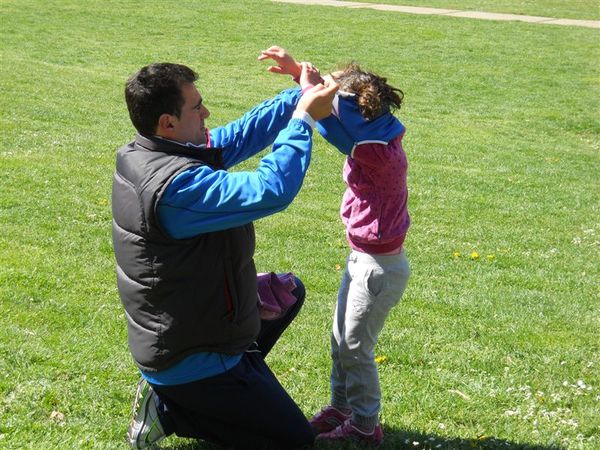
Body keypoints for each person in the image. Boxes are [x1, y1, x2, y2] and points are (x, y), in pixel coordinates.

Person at [112, 47, 338, 450]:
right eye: (197, 107)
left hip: (196, 323)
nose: (207, 113)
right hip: (186, 357)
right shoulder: (174, 187)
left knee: (286, 293)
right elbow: (270, 190)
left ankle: (208, 400)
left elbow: (239, 135)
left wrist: (298, 95)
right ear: (168, 122)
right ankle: (171, 406)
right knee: (294, 442)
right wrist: (303, 117)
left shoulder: (154, 150)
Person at [308, 63, 411, 447]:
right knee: (340, 340)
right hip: (362, 259)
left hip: (379, 269)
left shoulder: (378, 153)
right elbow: (327, 107)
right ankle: (342, 407)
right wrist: (295, 73)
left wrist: (309, 95)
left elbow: (322, 117)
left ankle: (366, 425)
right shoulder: (375, 135)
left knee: (355, 347)